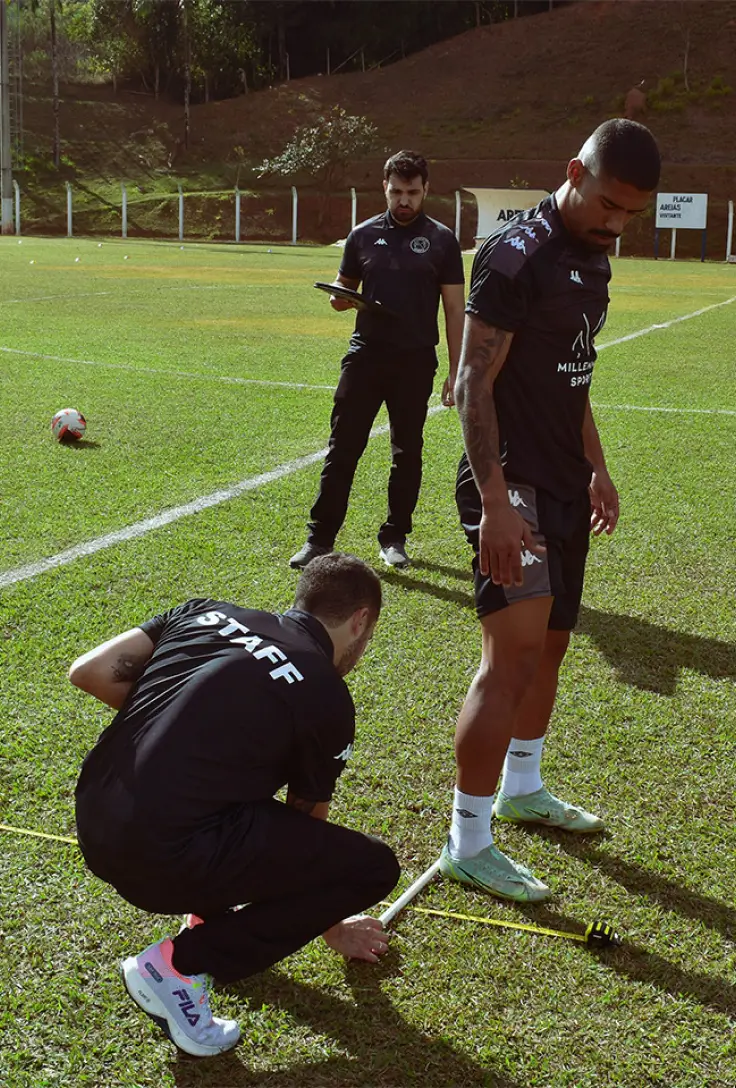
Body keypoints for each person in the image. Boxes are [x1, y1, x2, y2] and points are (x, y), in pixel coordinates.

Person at [439, 120, 661, 902]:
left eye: (630, 214)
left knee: (555, 649)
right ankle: (468, 839)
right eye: (606, 205)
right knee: (513, 660)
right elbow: (471, 383)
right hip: (511, 484)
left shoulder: (594, 257)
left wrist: (597, 467)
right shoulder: (514, 255)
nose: (614, 224)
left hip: (565, 481)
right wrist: (495, 502)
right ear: (573, 172)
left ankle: (523, 788)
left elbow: (575, 374)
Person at [71, 553, 399, 1058]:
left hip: (93, 820)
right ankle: (179, 963)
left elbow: (90, 671)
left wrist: (186, 733)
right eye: (368, 638)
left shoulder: (204, 611)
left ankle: (206, 917)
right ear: (359, 622)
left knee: (227, 796)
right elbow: (304, 832)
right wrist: (329, 922)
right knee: (373, 868)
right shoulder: (325, 695)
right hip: (159, 858)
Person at [290, 149, 465, 572]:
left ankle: (394, 537)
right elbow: (342, 290)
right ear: (384, 189)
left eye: (412, 192)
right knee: (343, 446)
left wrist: (457, 370)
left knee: (407, 452)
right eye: (396, 192)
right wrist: (339, 296)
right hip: (365, 356)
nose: (404, 200)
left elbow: (455, 309)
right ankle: (319, 538)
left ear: (425, 191)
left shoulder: (442, 240)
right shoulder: (362, 235)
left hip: (415, 361)